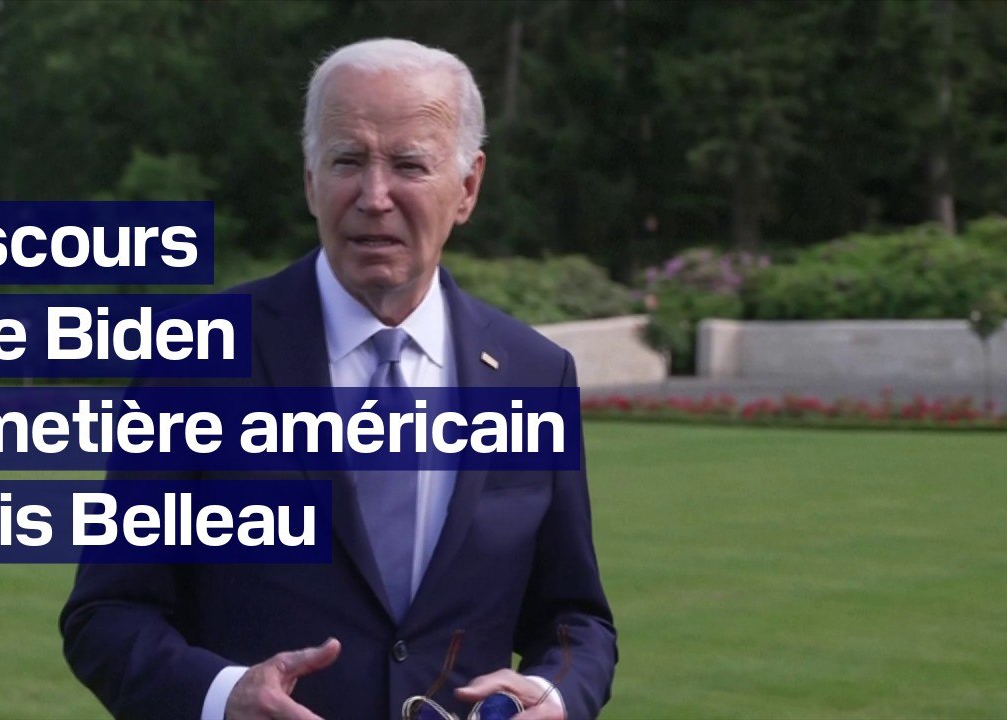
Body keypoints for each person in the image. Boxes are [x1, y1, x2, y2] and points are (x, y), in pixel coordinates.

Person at [61, 38, 617, 720]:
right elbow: (108, 613)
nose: (374, 196)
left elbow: (573, 618)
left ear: (468, 187)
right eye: (347, 161)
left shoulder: (535, 374)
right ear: (309, 179)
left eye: (409, 164)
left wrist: (558, 697)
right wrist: (221, 697)